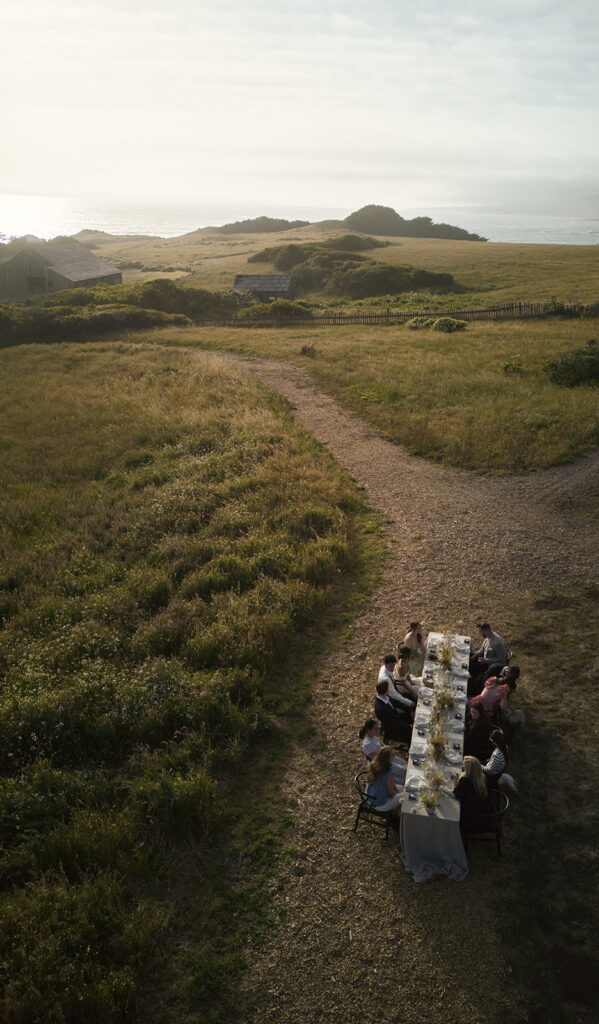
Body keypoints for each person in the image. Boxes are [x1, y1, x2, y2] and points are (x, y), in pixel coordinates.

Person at [359, 718, 407, 784]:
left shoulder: (374, 736)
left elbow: (381, 744)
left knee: (404, 764)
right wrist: (389, 758)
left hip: (384, 756)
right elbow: (376, 759)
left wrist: (388, 749)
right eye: (376, 729)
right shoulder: (368, 744)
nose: (378, 730)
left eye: (378, 728)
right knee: (401, 770)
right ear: (368, 730)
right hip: (380, 763)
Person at [453, 756, 493, 835]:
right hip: (484, 812)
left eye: (464, 767)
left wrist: (455, 781)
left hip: (471, 818)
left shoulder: (465, 781)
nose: (463, 768)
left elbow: (457, 795)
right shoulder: (483, 778)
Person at [365, 746, 403, 817]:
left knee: (401, 788)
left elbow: (391, 785)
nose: (394, 757)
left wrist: (397, 792)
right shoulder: (389, 772)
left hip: (368, 798)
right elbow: (391, 792)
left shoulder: (374, 765)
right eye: (393, 756)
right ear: (389, 758)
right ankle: (398, 816)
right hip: (380, 805)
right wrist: (397, 795)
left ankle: (395, 809)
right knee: (405, 796)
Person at [374, 678, 413, 743]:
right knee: (412, 734)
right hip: (392, 729)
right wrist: (408, 726)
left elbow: (397, 703)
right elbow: (393, 723)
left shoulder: (385, 696)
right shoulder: (380, 708)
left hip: (397, 718)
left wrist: (410, 711)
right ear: (387, 690)